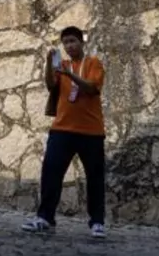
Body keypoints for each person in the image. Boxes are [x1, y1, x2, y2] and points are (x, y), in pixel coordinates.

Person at [21, 26, 108, 239]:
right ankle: (45, 218)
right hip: (62, 129)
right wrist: (49, 65)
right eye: (66, 42)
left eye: (73, 41)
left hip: (91, 132)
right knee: (51, 173)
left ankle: (97, 222)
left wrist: (70, 75)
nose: (69, 46)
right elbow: (51, 85)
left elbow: (91, 87)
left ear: (81, 42)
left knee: (95, 178)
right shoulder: (63, 65)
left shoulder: (93, 63)